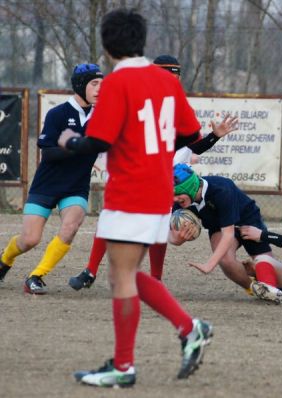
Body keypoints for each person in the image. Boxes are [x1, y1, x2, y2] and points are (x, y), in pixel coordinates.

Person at [57, 9, 212, 387]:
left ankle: (126, 365)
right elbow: (191, 133)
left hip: (130, 190)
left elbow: (100, 140)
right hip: (158, 190)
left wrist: (69, 141)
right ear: (141, 41)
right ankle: (189, 328)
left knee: (122, 276)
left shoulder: (116, 83)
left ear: (108, 46)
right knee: (123, 274)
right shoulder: (165, 81)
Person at [68, 54, 237, 290]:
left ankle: (155, 278)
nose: (173, 81)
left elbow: (190, 141)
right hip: (134, 171)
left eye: (177, 76)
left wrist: (212, 137)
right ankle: (90, 271)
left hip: (162, 176)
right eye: (169, 75)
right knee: (110, 218)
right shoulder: (137, 96)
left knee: (158, 225)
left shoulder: (175, 102)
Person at [0, 63, 103, 294]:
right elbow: (48, 152)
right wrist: (78, 146)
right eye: (94, 84)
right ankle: (5, 260)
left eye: (102, 84)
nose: (99, 89)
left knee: (71, 226)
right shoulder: (58, 113)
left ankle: (36, 276)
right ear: (79, 85)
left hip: (76, 187)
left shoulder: (104, 116)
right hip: (46, 185)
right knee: (30, 239)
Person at [170, 164, 272, 291]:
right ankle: (255, 289)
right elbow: (170, 234)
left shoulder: (222, 189)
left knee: (269, 269)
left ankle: (280, 277)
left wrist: (209, 265)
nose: (174, 199)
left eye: (177, 193)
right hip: (218, 226)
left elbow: (228, 234)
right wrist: (176, 239)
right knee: (225, 259)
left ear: (190, 187)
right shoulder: (180, 202)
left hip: (248, 220)